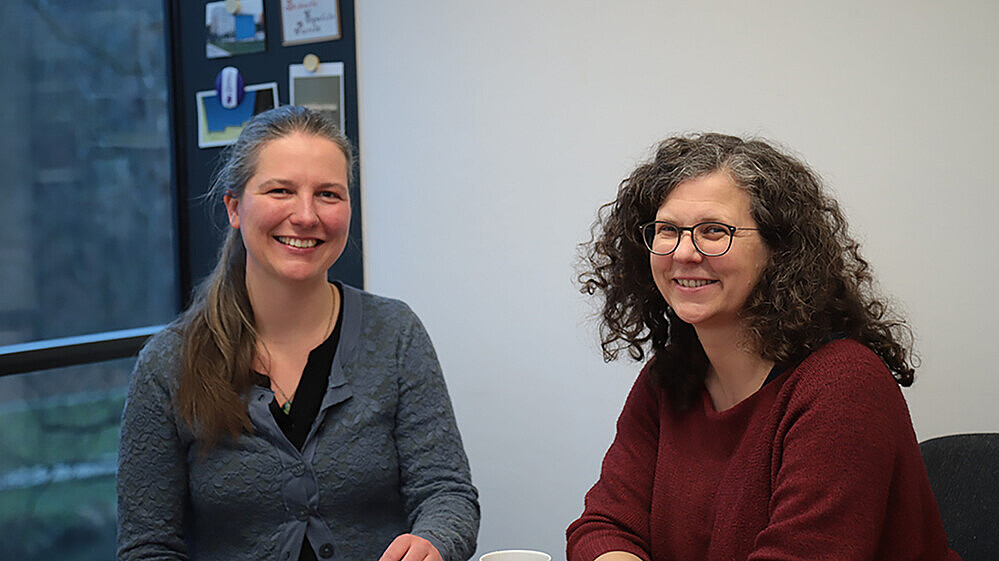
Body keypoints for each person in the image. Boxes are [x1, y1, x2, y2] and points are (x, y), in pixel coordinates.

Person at [566, 133, 959, 561]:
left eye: (714, 231)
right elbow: (604, 526)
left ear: (778, 249)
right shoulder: (669, 378)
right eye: (668, 230)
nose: (684, 252)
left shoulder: (844, 386)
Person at [117, 106, 479, 561]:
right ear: (234, 207)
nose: (306, 215)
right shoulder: (169, 364)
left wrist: (435, 541)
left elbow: (447, 493)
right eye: (281, 191)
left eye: (328, 194)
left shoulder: (395, 334)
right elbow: (147, 546)